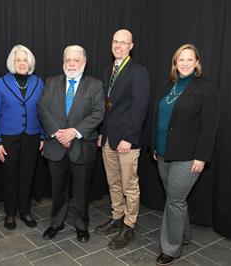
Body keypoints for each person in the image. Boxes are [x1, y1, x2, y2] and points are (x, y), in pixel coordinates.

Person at [151, 44, 219, 265]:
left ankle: (171, 248)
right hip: (163, 152)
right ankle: (184, 234)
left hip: (188, 155)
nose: (185, 63)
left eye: (190, 59)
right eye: (181, 59)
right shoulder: (167, 86)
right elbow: (158, 119)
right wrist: (154, 146)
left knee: (175, 200)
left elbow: (210, 125)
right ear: (175, 63)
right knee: (175, 198)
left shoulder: (206, 88)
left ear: (197, 63)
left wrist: (202, 156)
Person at [38, 45, 105, 243]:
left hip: (82, 147)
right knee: (57, 189)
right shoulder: (50, 82)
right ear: (63, 62)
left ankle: (82, 226)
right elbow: (42, 109)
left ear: (84, 63)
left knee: (81, 191)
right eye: (68, 60)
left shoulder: (95, 85)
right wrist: (58, 133)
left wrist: (74, 132)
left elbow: (98, 112)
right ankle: (56, 223)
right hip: (56, 145)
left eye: (76, 60)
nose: (72, 64)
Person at [95, 29, 150, 250]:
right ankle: (117, 216)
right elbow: (108, 107)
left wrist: (129, 137)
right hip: (109, 138)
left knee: (129, 185)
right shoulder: (109, 70)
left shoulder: (138, 72)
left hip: (127, 140)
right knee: (113, 182)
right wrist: (102, 132)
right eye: (115, 42)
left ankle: (129, 225)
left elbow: (139, 108)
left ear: (131, 46)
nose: (118, 46)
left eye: (123, 42)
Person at [0, 45, 44, 230]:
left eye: (25, 59)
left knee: (27, 175)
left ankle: (25, 211)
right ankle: (10, 213)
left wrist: (43, 136)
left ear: (31, 62)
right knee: (10, 176)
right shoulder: (1, 82)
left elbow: (43, 112)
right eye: (18, 59)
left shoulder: (38, 82)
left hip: (32, 136)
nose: (22, 63)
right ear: (13, 62)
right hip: (8, 138)